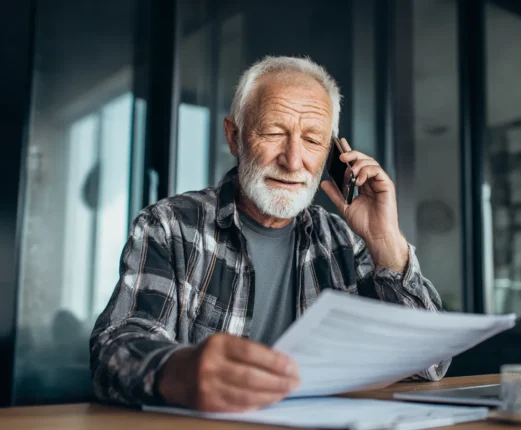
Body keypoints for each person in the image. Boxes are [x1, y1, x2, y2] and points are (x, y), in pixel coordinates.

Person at [89, 56, 447, 412]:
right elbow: (115, 348)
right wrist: (180, 371)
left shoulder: (344, 241)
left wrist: (386, 242)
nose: (293, 161)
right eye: (274, 133)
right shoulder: (170, 226)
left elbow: (429, 363)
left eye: (312, 140)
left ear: (331, 155)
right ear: (235, 137)